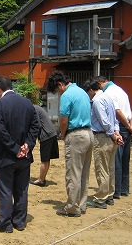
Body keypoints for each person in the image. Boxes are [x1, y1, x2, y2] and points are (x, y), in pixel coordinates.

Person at [0, 76, 39, 233]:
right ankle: (19, 221)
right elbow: (35, 126)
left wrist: (15, 148)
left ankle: (5, 223)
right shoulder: (27, 102)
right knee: (22, 189)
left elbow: (1, 130)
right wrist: (27, 145)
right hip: (24, 156)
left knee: (5, 189)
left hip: (6, 155)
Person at [47, 71, 93, 217]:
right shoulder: (82, 92)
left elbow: (63, 119)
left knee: (73, 173)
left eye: (56, 90)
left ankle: (72, 207)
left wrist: (63, 133)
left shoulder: (67, 95)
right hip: (89, 133)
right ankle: (82, 204)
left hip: (76, 135)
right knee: (84, 173)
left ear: (60, 85)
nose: (57, 93)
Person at [95, 76, 132, 199]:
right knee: (125, 159)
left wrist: (128, 127)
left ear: (100, 84)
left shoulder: (109, 93)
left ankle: (117, 190)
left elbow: (117, 112)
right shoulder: (121, 90)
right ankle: (125, 188)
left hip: (119, 126)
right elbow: (130, 112)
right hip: (127, 125)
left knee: (116, 160)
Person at [82, 78, 123, 209]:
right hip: (111, 136)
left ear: (90, 90)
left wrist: (112, 135)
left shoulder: (97, 101)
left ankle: (101, 198)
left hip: (102, 137)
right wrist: (116, 134)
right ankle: (109, 194)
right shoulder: (108, 98)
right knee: (110, 168)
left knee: (101, 169)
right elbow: (114, 119)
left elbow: (104, 121)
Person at [29, 104, 59, 187]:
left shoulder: (33, 109)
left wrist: (35, 137)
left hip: (46, 135)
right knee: (47, 159)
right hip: (52, 133)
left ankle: (41, 180)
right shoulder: (37, 108)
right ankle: (42, 178)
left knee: (44, 159)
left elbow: (37, 125)